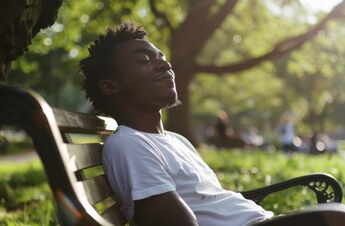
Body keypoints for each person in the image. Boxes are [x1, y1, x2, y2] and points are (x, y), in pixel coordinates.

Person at [79, 21, 273, 226]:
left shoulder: (176, 140)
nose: (165, 64)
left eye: (161, 57)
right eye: (144, 60)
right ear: (110, 86)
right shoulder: (130, 145)